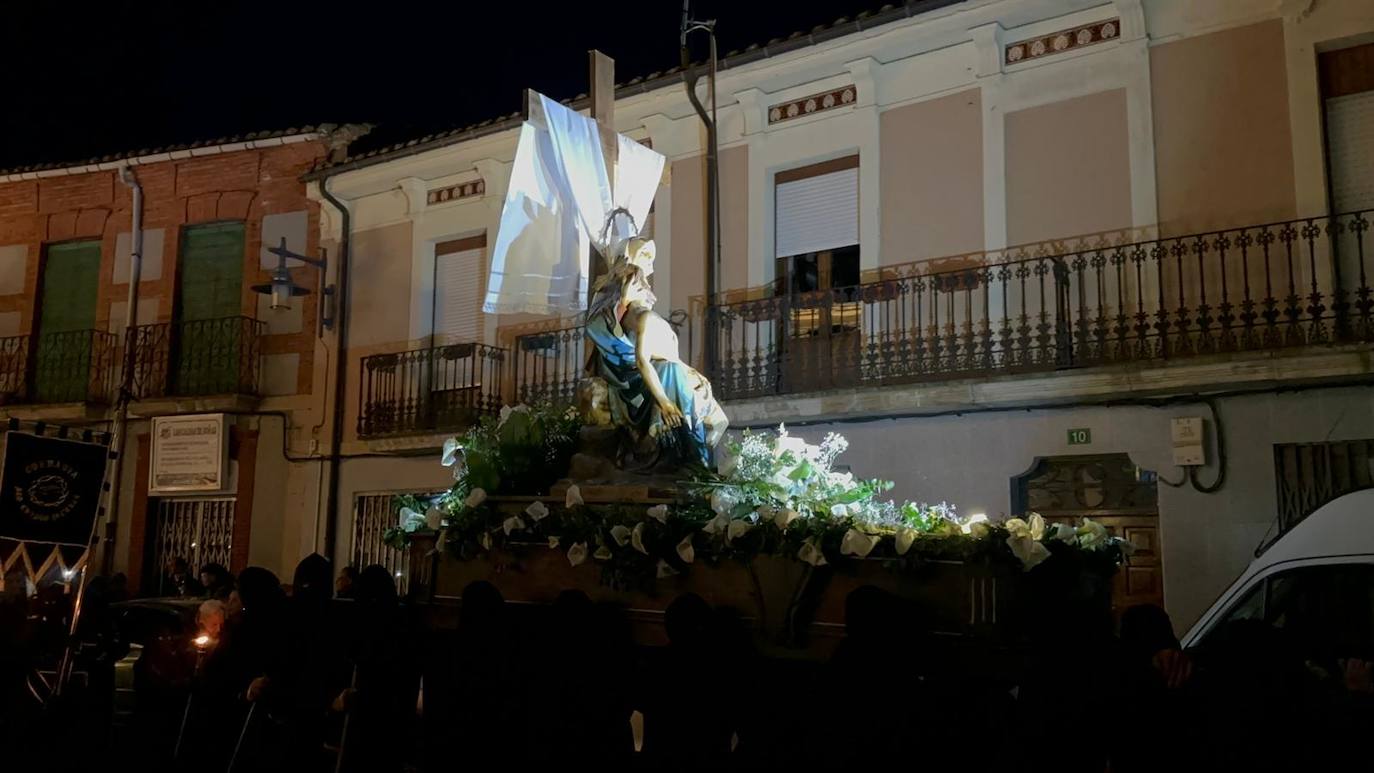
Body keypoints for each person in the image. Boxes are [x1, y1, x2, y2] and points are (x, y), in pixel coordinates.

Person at [585, 238, 727, 469]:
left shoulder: (644, 310)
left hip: (658, 366)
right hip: (635, 372)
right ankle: (694, 457)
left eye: (651, 256)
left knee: (710, 408)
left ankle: (698, 459)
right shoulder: (622, 301)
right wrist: (622, 302)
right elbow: (599, 328)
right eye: (645, 255)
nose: (650, 263)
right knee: (676, 378)